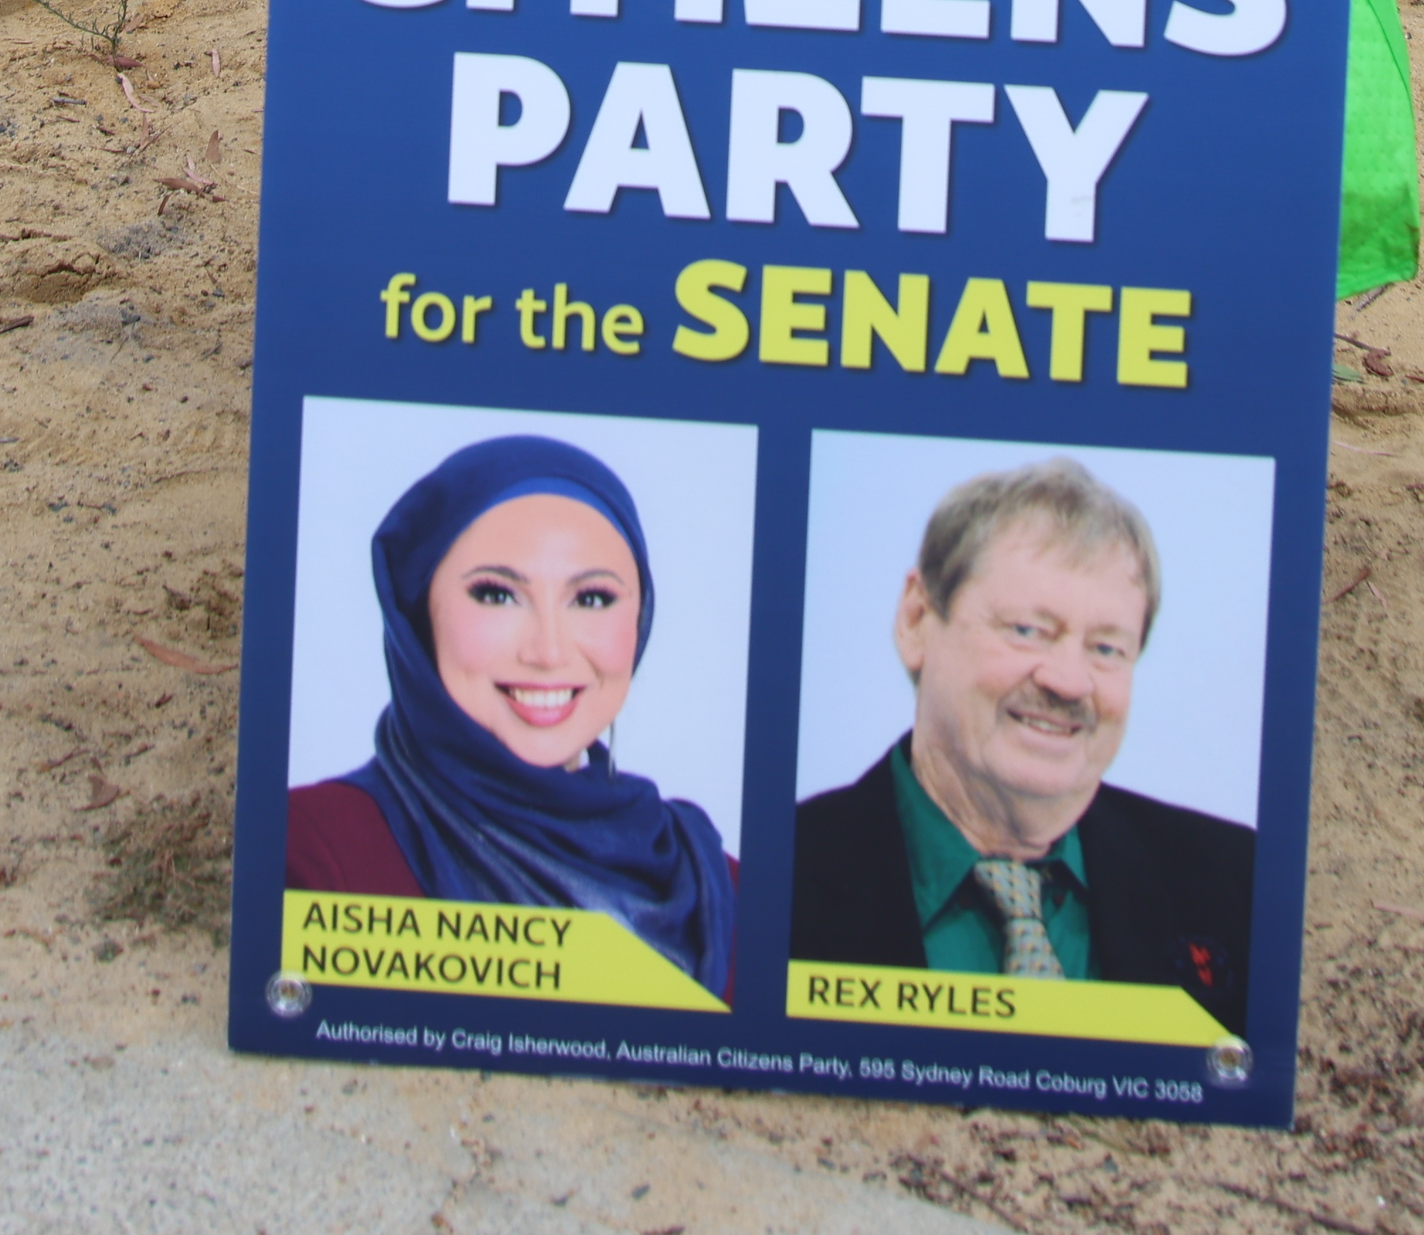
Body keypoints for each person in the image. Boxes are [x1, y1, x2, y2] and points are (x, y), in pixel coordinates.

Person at [786, 460, 1254, 1028]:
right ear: (916, 620)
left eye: (1106, 649)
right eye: (1027, 630)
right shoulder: (775, 875)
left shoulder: (1238, 885)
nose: (1069, 681)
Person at [283, 432, 736, 995]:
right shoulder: (314, 851)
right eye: (497, 594)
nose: (548, 652)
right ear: (419, 614)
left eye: (591, 598)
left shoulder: (718, 880)